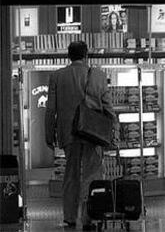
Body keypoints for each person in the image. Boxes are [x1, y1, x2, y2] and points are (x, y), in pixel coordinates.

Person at [44, 41, 118, 231]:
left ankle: (69, 217)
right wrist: (113, 133)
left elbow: (50, 108)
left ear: (68, 56)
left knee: (71, 175)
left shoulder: (57, 76)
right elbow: (108, 108)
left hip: (68, 133)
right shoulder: (98, 76)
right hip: (93, 133)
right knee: (93, 175)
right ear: (86, 55)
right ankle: (89, 217)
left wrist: (49, 134)